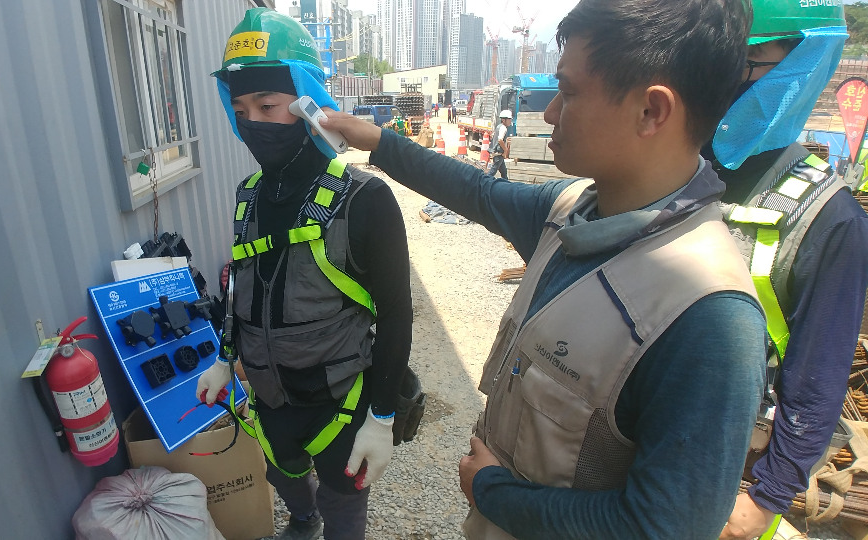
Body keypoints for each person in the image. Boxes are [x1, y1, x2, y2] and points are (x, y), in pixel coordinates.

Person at [320, 0, 766, 538]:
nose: (551, 112)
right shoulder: (571, 211)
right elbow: (478, 191)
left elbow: (662, 528)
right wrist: (375, 140)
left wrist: (493, 491)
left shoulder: (708, 319)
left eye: (569, 91)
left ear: (652, 111)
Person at [196, 8, 413, 540]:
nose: (253, 122)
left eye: (268, 105)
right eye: (240, 110)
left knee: (343, 499)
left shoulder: (365, 198)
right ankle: (301, 518)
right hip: (270, 398)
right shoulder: (249, 196)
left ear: (307, 101)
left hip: (338, 402)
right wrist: (225, 358)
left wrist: (382, 417)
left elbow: (396, 314)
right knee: (285, 475)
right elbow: (241, 285)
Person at [702, 3, 868, 539]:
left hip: (728, 470)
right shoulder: (676, 168)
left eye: (747, 59)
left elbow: (817, 378)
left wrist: (764, 500)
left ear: (803, 66)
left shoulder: (829, 218)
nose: (724, 76)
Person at [488, 111, 511, 178]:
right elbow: (500, 140)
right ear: (503, 120)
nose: (510, 121)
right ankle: (484, 181)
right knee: (493, 171)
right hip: (498, 154)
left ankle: (506, 183)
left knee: (504, 171)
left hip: (497, 153)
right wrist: (505, 150)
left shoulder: (499, 126)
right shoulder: (503, 128)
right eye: (509, 119)